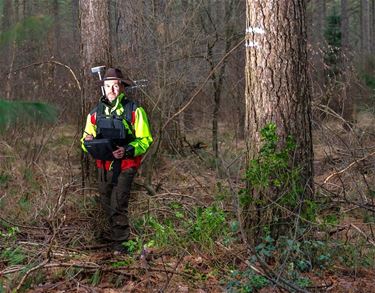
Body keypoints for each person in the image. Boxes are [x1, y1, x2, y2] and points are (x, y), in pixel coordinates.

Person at [81, 67, 152, 254]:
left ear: (122, 88)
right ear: (103, 88)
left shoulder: (135, 111)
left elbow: (145, 140)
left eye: (116, 86)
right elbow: (84, 140)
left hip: (126, 166)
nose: (112, 90)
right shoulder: (95, 113)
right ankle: (112, 241)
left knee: (118, 207)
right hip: (103, 168)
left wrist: (127, 150)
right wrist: (88, 142)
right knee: (106, 205)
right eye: (108, 86)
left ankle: (121, 248)